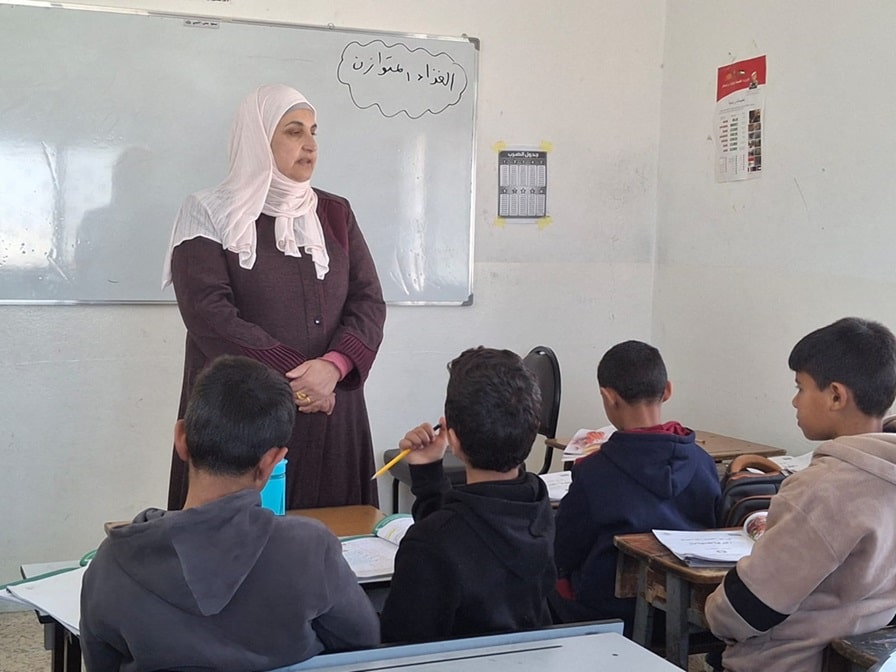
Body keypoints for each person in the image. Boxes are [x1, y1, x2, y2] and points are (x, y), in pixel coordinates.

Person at [162, 83, 386, 511]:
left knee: (335, 537)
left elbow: (368, 301)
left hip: (332, 407)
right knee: (234, 538)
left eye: (314, 132)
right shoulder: (208, 211)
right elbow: (209, 313)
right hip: (241, 414)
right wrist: (301, 379)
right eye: (294, 131)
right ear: (258, 138)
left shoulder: (335, 213)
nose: (310, 145)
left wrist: (333, 367)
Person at [80, 355, 380, 671]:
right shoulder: (308, 547)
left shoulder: (113, 560)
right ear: (272, 461)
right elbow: (363, 641)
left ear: (181, 438)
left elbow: (101, 663)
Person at [705, 317, 896, 672]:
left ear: (836, 395)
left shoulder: (825, 489)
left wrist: (714, 615)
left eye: (801, 387)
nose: (795, 401)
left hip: (787, 662)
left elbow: (748, 608)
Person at [379, 347, 556, 643]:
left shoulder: (430, 542)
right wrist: (427, 471)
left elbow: (399, 645)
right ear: (532, 430)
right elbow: (466, 531)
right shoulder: (537, 504)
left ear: (454, 440)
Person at [552, 340, 720, 633]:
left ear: (609, 397)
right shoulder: (704, 463)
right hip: (690, 614)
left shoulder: (593, 472)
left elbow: (564, 550)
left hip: (610, 613)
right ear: (667, 390)